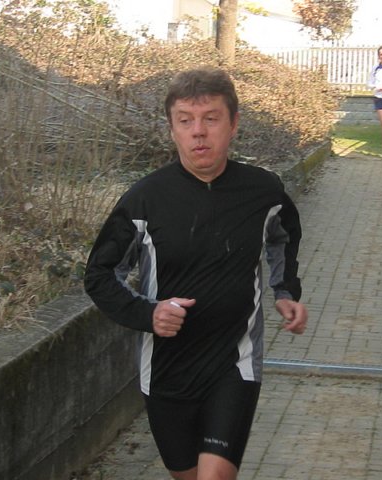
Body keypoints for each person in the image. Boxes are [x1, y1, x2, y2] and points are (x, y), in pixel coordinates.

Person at [84, 68, 308, 480]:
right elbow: (99, 274)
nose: (198, 132)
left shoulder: (263, 191)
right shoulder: (144, 199)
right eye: (185, 120)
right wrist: (148, 314)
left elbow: (284, 234)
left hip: (234, 363)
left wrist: (285, 290)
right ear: (172, 129)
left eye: (211, 118)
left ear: (233, 123)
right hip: (166, 370)